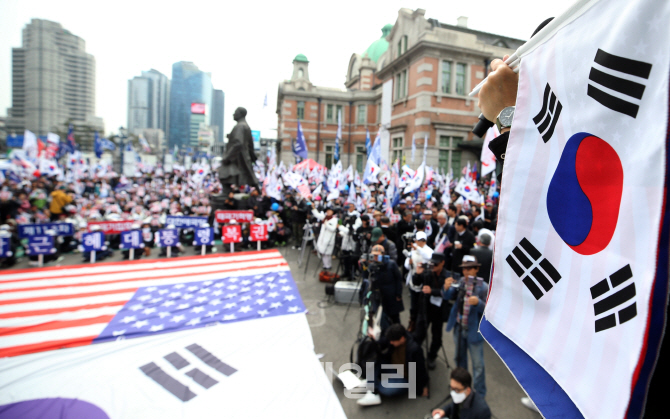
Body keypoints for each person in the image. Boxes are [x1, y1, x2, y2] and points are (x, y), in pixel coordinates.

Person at [443, 255, 489, 397]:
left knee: (478, 365)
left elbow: (490, 310)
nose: (466, 272)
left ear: (476, 269)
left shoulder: (483, 287)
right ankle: (462, 386)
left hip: (474, 331)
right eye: (464, 269)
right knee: (459, 358)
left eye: (470, 268)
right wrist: (446, 287)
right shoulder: (462, 282)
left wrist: (479, 303)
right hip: (459, 327)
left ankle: (479, 394)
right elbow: (447, 296)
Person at [357, 324, 429, 406]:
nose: (390, 342)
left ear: (402, 339)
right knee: (372, 361)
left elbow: (420, 371)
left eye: (393, 341)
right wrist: (372, 341)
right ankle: (372, 385)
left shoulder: (414, 350)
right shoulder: (393, 336)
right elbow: (383, 342)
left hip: (404, 377)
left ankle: (372, 386)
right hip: (391, 366)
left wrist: (420, 389)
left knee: (388, 390)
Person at [412, 252, 452, 369]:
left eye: (436, 264)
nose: (433, 266)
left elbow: (449, 295)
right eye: (432, 263)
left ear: (442, 263)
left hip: (438, 311)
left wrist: (433, 291)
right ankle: (415, 355)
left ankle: (432, 356)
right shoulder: (428, 272)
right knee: (419, 334)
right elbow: (416, 282)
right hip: (424, 308)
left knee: (437, 338)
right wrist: (417, 273)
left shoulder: (447, 276)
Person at [218, 107, 259, 196]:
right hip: (241, 156)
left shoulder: (240, 126)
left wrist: (227, 156)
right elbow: (249, 145)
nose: (233, 114)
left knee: (223, 173)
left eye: (235, 112)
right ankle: (227, 192)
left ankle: (226, 192)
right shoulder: (245, 126)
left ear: (240, 114)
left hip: (237, 157)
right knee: (244, 176)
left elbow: (238, 143)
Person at [366, 244, 404, 324]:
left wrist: (398, 294)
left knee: (394, 316)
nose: (375, 258)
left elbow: (398, 279)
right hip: (378, 294)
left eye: (377, 255)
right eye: (374, 255)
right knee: (378, 315)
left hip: (391, 294)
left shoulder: (391, 264)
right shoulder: (372, 265)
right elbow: (368, 277)